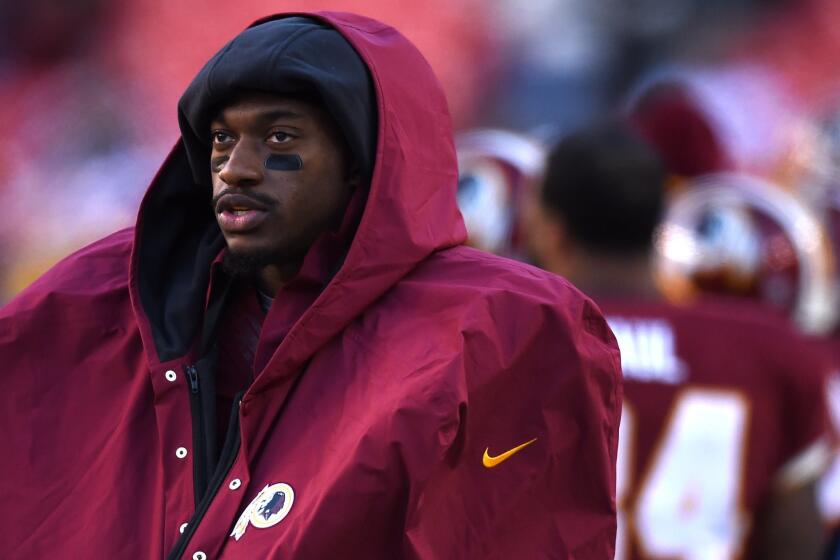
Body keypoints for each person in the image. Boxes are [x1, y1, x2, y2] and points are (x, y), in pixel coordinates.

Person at [0, 12, 622, 559]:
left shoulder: (496, 328)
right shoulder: (96, 300)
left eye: (279, 139)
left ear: (362, 159)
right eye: (222, 139)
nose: (236, 170)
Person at [526, 119, 834, 560]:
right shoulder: (770, 349)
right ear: (660, 221)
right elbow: (796, 542)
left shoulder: (521, 338)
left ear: (550, 228)